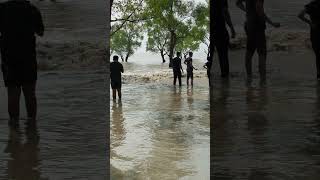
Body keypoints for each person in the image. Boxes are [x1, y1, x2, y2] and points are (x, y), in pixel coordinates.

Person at [0, 0, 44, 127]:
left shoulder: (2, 9)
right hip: (28, 55)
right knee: (29, 92)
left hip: (9, 56)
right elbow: (40, 32)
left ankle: (14, 126)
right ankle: (32, 125)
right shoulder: (32, 9)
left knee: (13, 93)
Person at [236, 0, 280, 80]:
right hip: (258, 27)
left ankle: (249, 77)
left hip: (249, 26)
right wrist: (272, 23)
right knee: (262, 54)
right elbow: (259, 8)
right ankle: (262, 80)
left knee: (249, 52)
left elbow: (238, 3)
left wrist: (247, 11)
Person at [212, 0, 236, 78]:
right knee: (223, 55)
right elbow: (225, 13)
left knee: (213, 55)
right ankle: (225, 77)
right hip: (220, 29)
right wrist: (232, 28)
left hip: (211, 29)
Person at [298, 0, 320, 79]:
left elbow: (300, 15)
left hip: (315, 33)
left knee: (318, 55)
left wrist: (310, 23)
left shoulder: (312, 5)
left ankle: (318, 75)